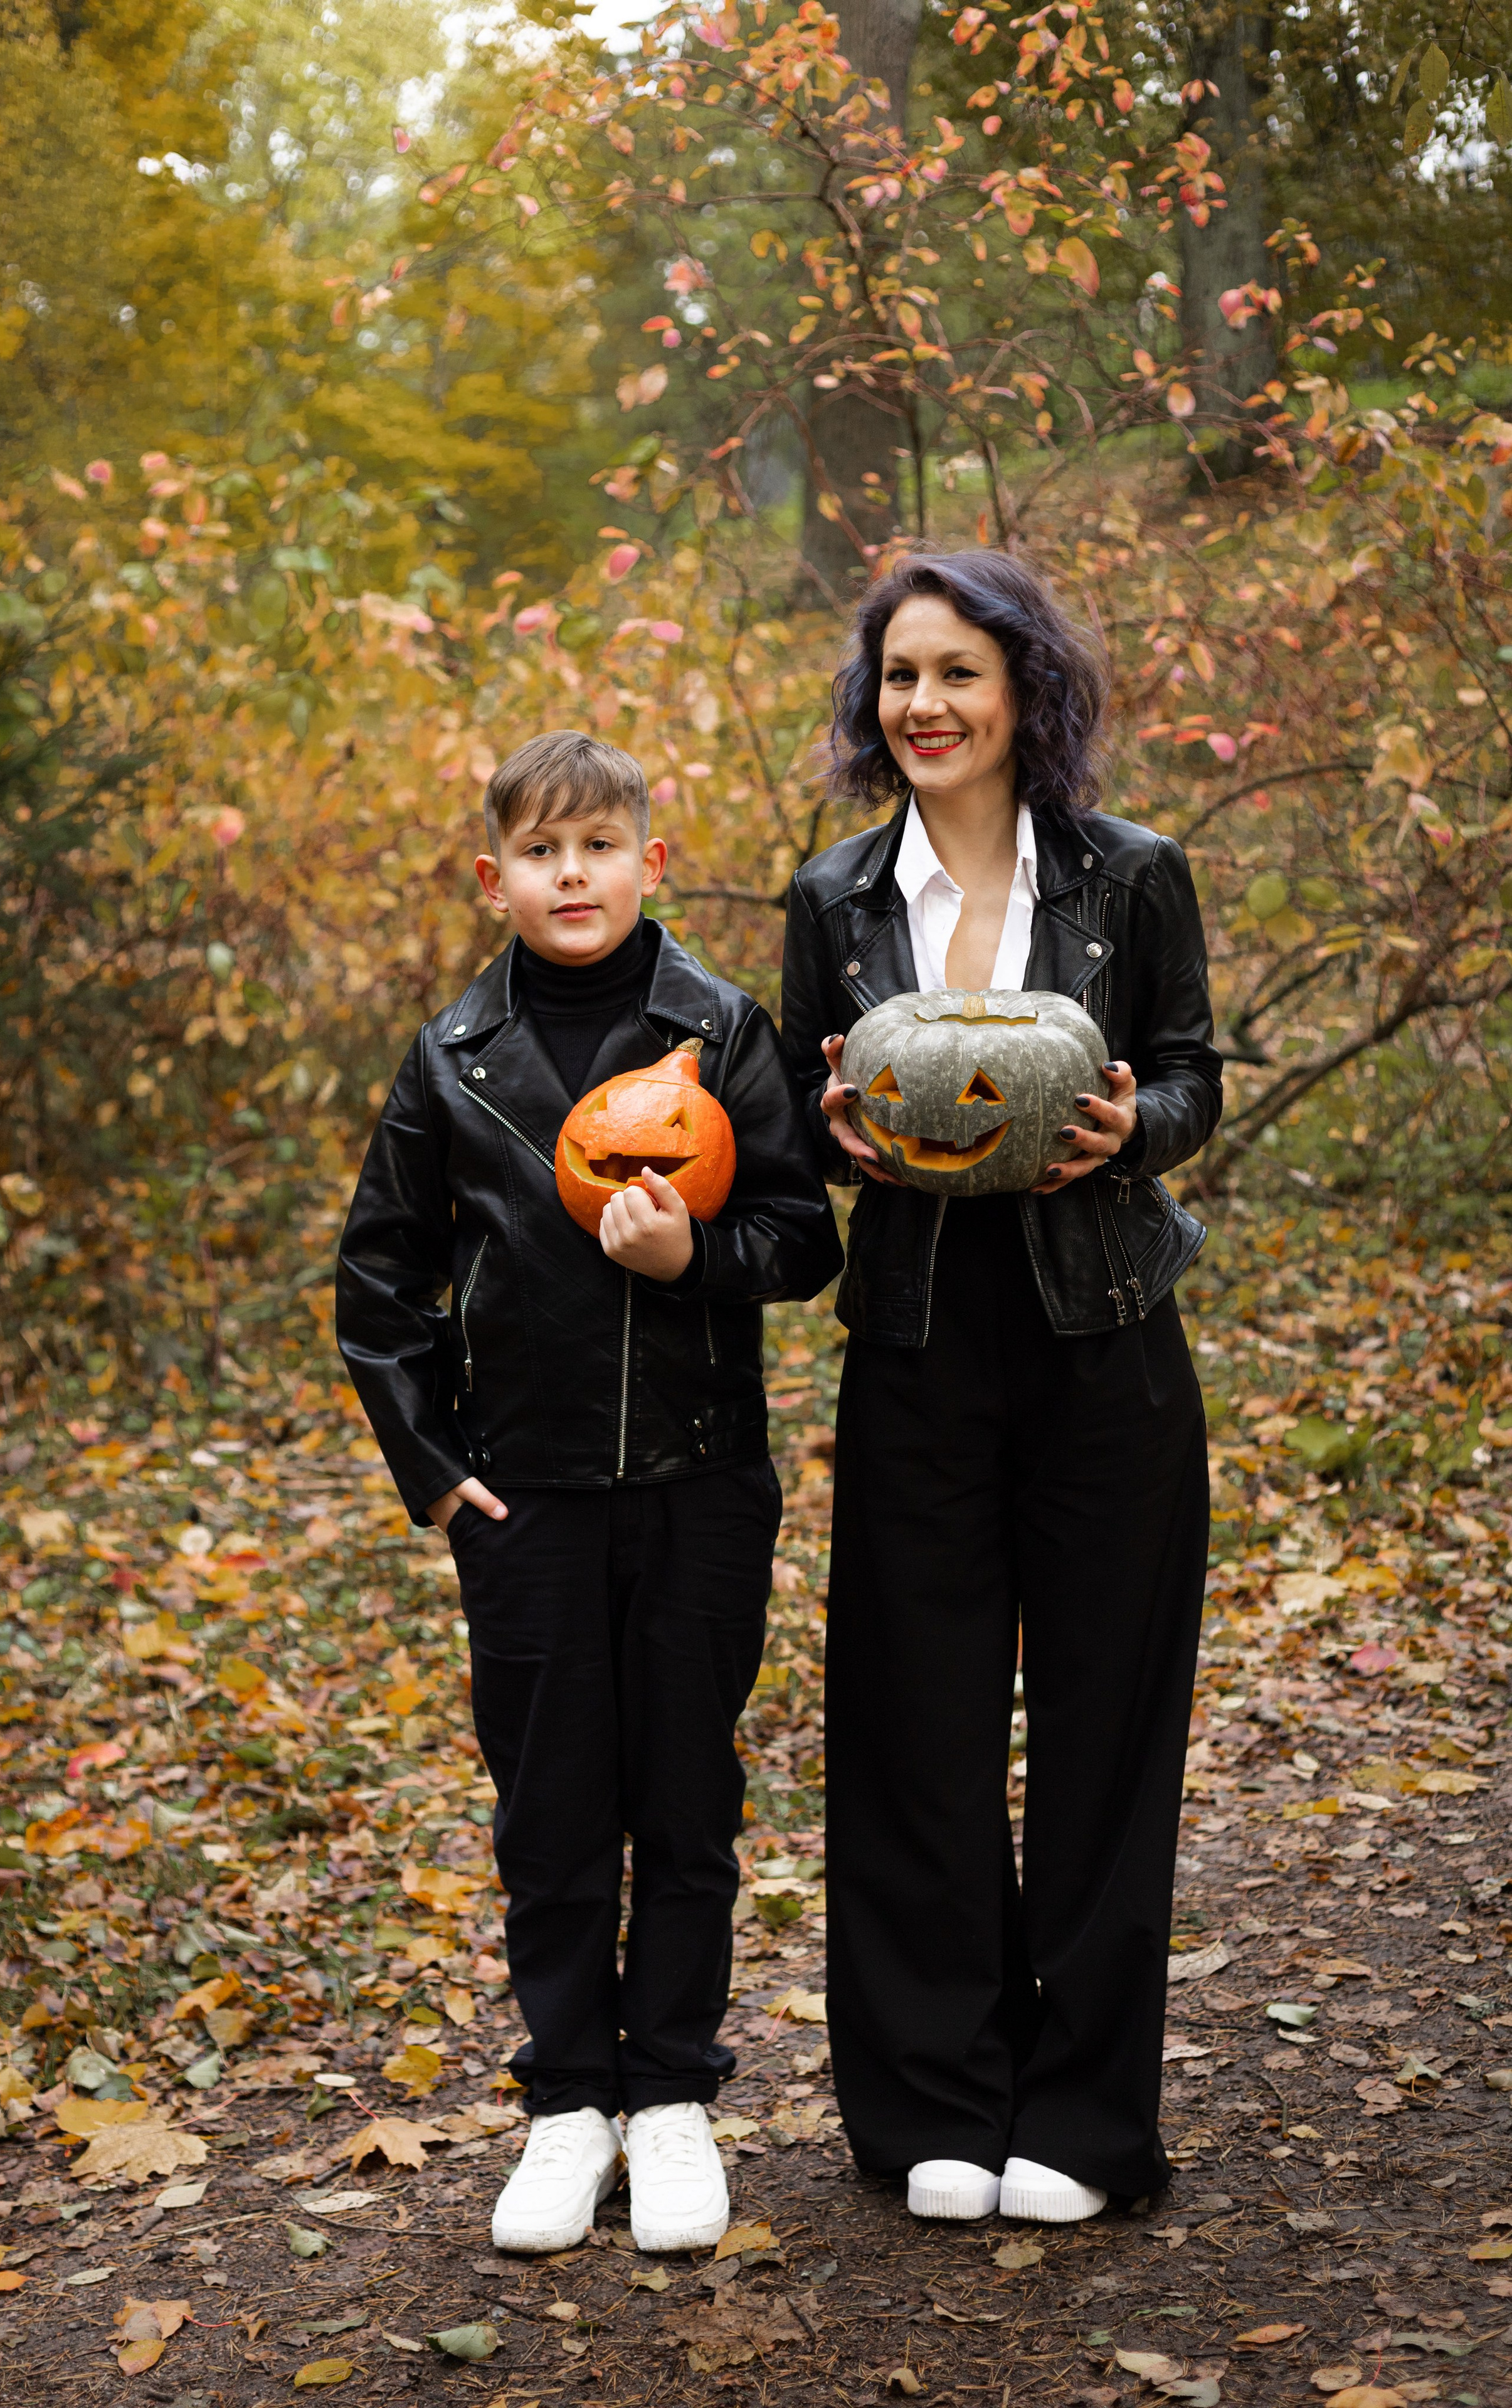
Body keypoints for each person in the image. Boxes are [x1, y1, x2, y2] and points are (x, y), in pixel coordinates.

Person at [337, 730, 843, 2256]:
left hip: (699, 1486)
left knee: (685, 1796)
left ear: (649, 863)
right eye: (542, 853)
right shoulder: (452, 1061)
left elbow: (803, 1240)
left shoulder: (721, 1029)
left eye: (599, 846)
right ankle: (569, 2100)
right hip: (529, 1502)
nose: (573, 875)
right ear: (493, 879)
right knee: (551, 1805)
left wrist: (696, 1260)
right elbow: (379, 1280)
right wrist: (435, 1475)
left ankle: (674, 2095)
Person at [780, 552, 1223, 2225]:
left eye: (959, 672)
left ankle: (1087, 2123)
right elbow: (805, 1121)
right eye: (900, 676)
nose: (927, 706)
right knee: (917, 1730)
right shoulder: (832, 899)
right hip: (916, 1343)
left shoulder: (1133, 875)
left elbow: (1190, 1073)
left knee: (1109, 1728)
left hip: (1103, 1331)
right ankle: (932, 2108)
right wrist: (820, 1141)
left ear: (1026, 690)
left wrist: (1138, 1131)